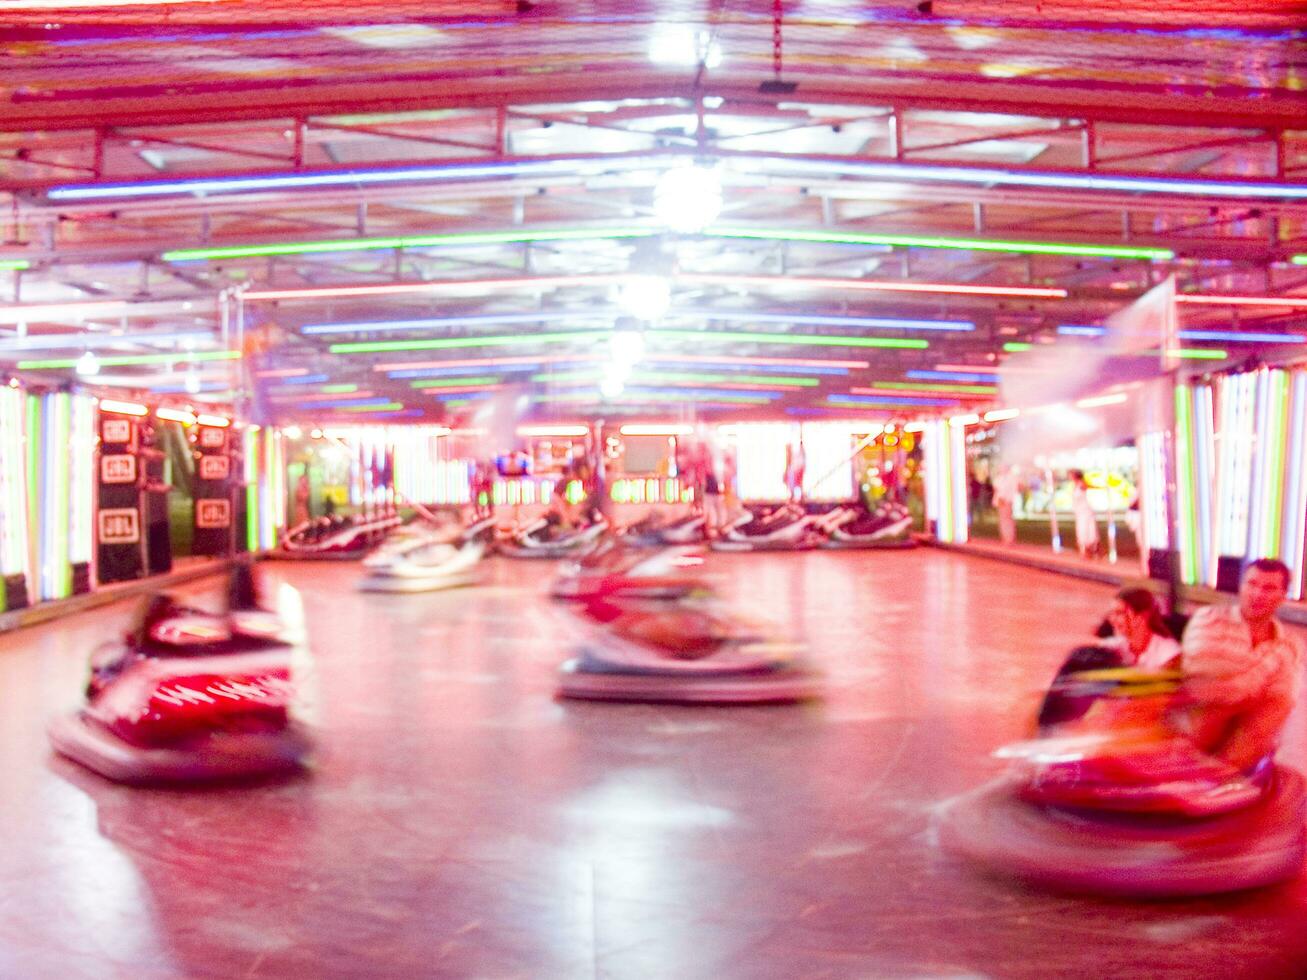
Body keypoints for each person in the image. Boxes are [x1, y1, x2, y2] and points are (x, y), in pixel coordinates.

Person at [1179, 558, 1304, 772]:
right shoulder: (1210, 619)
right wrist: (1251, 693)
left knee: (1274, 708)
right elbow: (1204, 684)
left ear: (1283, 596)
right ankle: (1214, 776)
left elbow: (1281, 700)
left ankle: (1220, 776)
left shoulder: (1290, 644)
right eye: (1252, 584)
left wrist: (1239, 690)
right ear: (1241, 586)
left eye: (1269, 588)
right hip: (1198, 724)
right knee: (1217, 700)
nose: (1257, 594)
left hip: (1250, 739)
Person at [1104, 587, 1180, 671]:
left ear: (1143, 616)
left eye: (1119, 613)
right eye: (1111, 614)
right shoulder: (1117, 646)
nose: (1112, 619)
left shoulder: (1169, 653)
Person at [1069, 469, 1100, 559]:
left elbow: (1090, 486)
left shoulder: (1081, 484)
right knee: (1082, 530)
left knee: (1087, 530)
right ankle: (1085, 551)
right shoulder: (1075, 485)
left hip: (1085, 511)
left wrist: (1102, 487)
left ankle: (1091, 550)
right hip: (1079, 512)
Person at [992, 465, 1020, 546]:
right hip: (1005, 500)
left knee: (1005, 520)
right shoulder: (1004, 478)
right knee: (1006, 519)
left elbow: (1002, 490)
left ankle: (1008, 538)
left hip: (1004, 500)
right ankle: (1007, 538)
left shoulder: (1008, 478)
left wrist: (1002, 498)